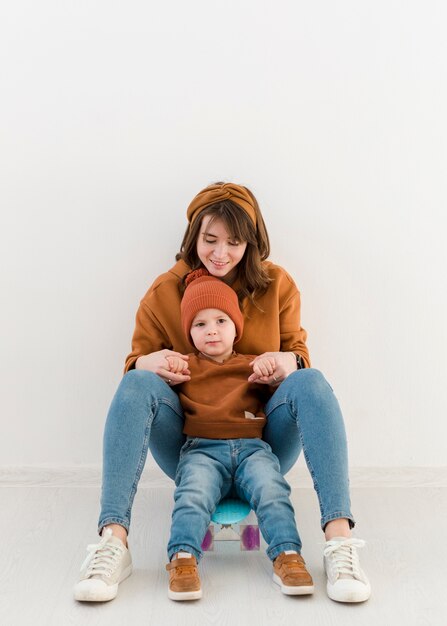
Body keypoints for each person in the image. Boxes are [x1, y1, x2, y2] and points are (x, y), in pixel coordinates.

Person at [74, 182, 371, 604]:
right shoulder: (163, 292)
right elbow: (134, 366)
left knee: (313, 379)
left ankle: (339, 543)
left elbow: (299, 353)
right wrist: (149, 363)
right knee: (136, 382)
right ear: (194, 238)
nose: (220, 253)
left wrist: (289, 362)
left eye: (234, 242)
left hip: (262, 440)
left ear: (252, 242)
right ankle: (113, 542)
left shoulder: (277, 285)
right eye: (210, 240)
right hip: (190, 441)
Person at [165, 270, 314, 600]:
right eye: (200, 324)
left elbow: (282, 401)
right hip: (202, 449)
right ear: (189, 332)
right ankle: (183, 559)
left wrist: (272, 375)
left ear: (236, 327)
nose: (212, 331)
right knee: (192, 495)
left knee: (272, 490)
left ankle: (288, 555)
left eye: (221, 321)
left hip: (252, 449)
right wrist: (167, 375)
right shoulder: (185, 366)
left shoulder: (254, 364)